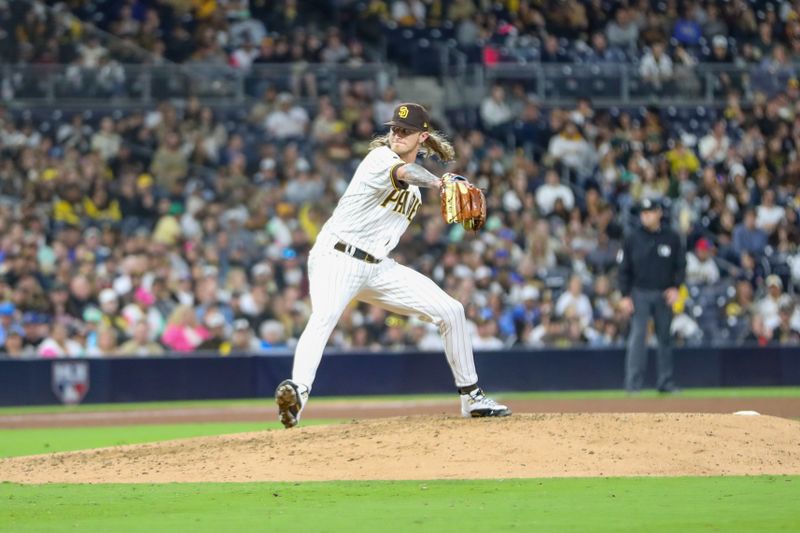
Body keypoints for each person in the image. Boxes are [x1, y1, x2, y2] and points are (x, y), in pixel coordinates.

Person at [275, 102, 511, 428]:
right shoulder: (380, 159)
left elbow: (407, 190)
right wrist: (440, 182)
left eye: (406, 131)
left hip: (378, 267)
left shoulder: (414, 193)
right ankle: (297, 393)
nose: (397, 134)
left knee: (452, 310)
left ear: (422, 137)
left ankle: (471, 398)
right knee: (325, 316)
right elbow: (404, 172)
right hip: (336, 257)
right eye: (394, 129)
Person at [618, 198, 685, 394]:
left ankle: (666, 382)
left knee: (665, 338)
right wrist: (624, 295)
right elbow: (623, 268)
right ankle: (633, 385)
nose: (645, 215)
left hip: (664, 293)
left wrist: (676, 287)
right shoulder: (632, 238)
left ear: (659, 213)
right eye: (643, 212)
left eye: (649, 211)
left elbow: (681, 265)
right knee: (638, 337)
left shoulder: (671, 237)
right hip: (639, 293)